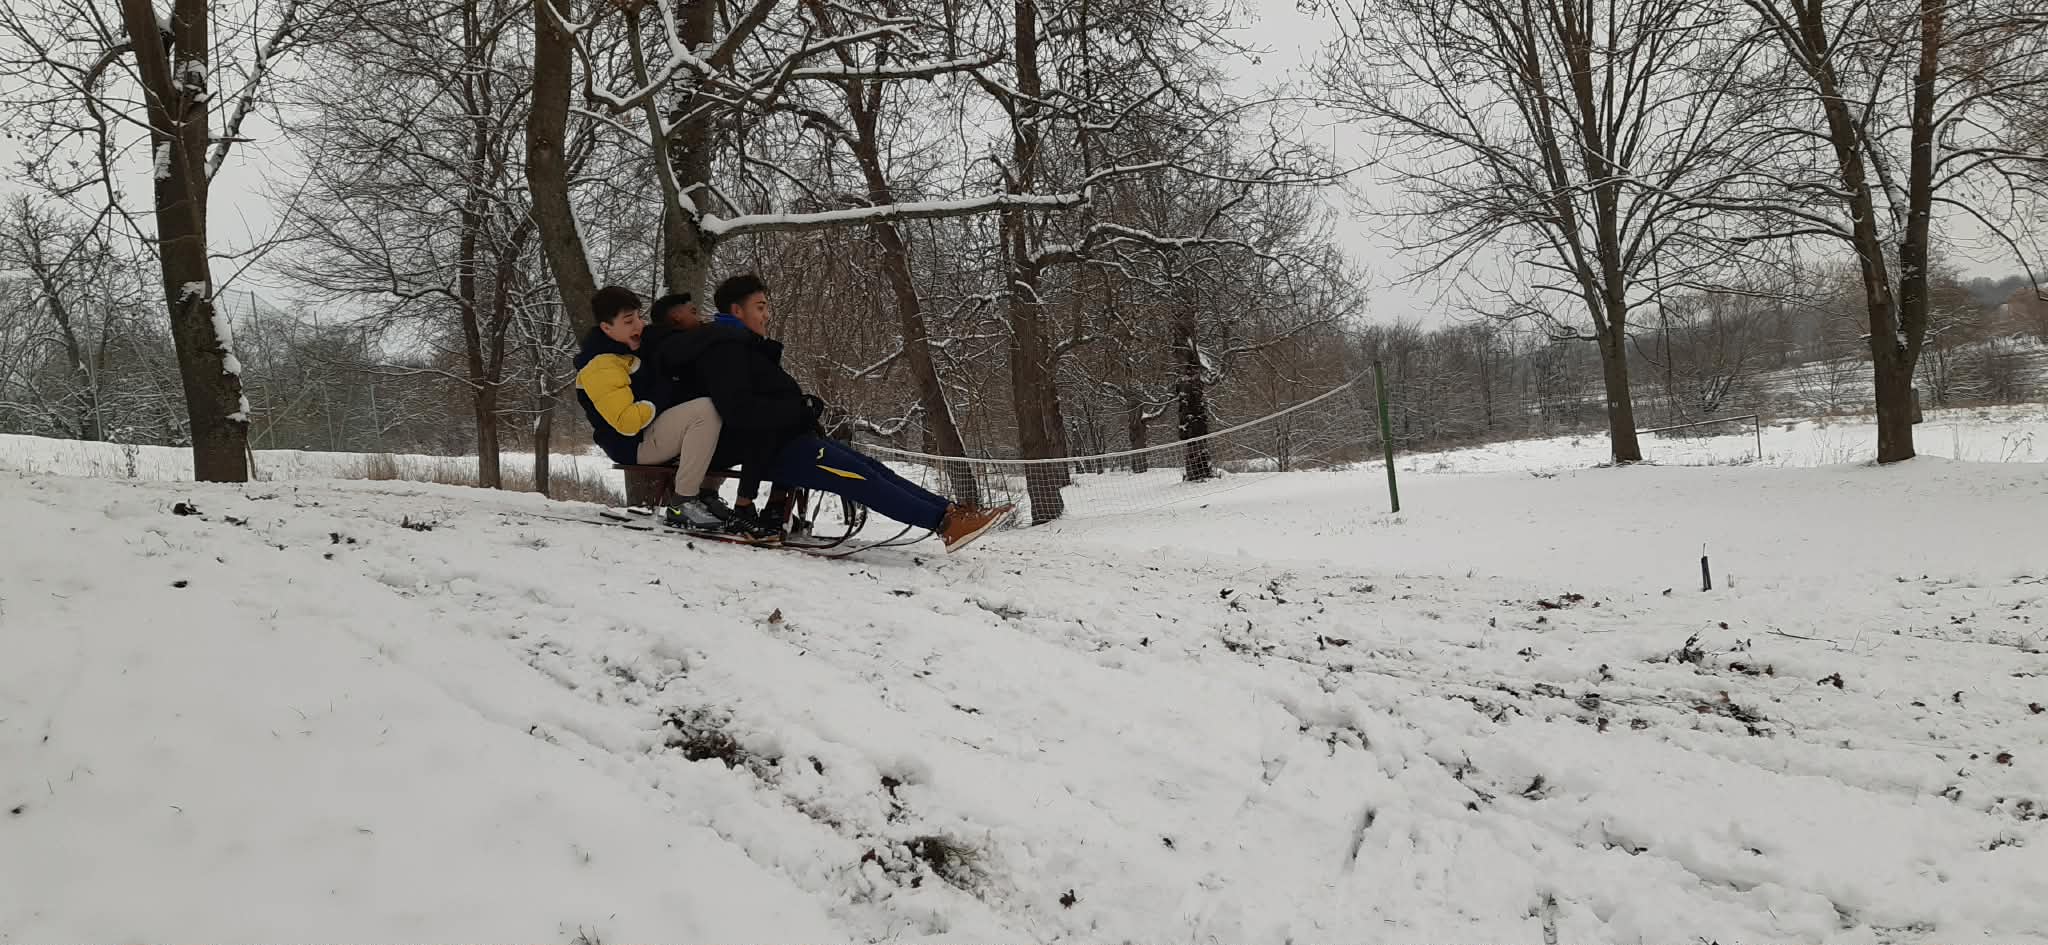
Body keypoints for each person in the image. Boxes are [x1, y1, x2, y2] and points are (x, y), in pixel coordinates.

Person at [650, 273, 1014, 553]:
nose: (767, 314)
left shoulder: (743, 346)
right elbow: (741, 411)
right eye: (760, 307)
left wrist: (801, 408)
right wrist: (797, 409)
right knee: (860, 478)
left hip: (790, 440)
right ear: (736, 311)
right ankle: (944, 525)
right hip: (776, 450)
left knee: (872, 469)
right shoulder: (724, 351)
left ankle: (951, 512)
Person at [573, 285, 747, 535]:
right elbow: (627, 422)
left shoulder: (626, 353)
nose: (639, 325)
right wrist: (663, 391)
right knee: (704, 411)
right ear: (606, 328)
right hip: (633, 445)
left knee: (717, 405)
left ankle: (707, 496)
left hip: (647, 434)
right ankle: (683, 503)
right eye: (629, 321)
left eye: (639, 317)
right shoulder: (601, 365)